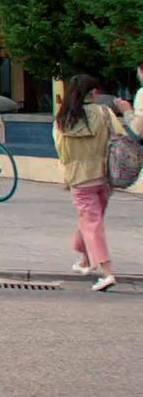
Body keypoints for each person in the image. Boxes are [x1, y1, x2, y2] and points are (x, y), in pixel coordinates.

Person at [52, 74, 126, 292]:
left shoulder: (62, 119)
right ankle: (85, 259)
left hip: (78, 177)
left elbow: (60, 150)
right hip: (103, 175)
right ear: (93, 93)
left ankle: (106, 271)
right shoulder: (104, 113)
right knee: (92, 219)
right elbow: (120, 137)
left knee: (90, 221)